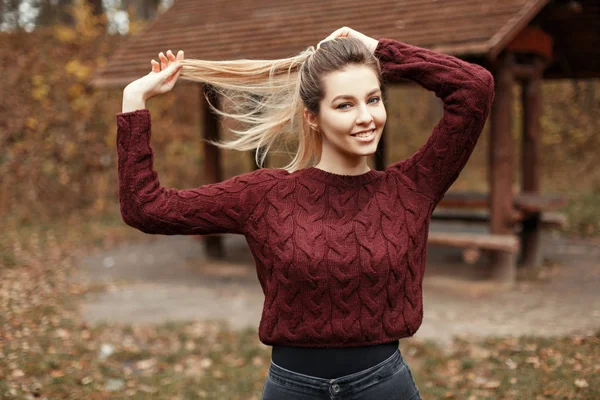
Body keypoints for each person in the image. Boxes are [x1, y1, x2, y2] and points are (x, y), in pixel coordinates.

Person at [117, 26, 494, 399]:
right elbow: (146, 207)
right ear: (313, 116)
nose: (366, 117)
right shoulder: (265, 195)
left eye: (374, 99)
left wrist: (378, 48)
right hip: (291, 391)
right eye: (345, 104)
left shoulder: (412, 188)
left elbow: (474, 88)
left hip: (383, 388)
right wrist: (134, 99)